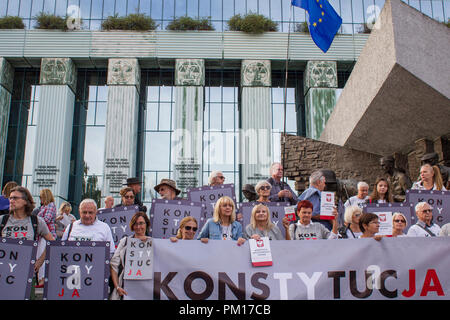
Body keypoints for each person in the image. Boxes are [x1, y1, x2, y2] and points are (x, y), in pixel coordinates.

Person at [0, 187, 55, 286]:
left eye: (15, 198)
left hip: (27, 275)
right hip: (3, 274)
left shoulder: (36, 221)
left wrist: (39, 262)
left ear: (25, 201)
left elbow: (52, 243)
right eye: (10, 198)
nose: (11, 201)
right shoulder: (3, 220)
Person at [109, 211, 151, 300]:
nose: (138, 227)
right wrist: (117, 287)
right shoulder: (125, 241)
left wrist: (174, 240)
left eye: (141, 223)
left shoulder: (153, 242)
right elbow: (114, 265)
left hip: (146, 288)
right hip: (125, 287)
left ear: (146, 224)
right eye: (135, 224)